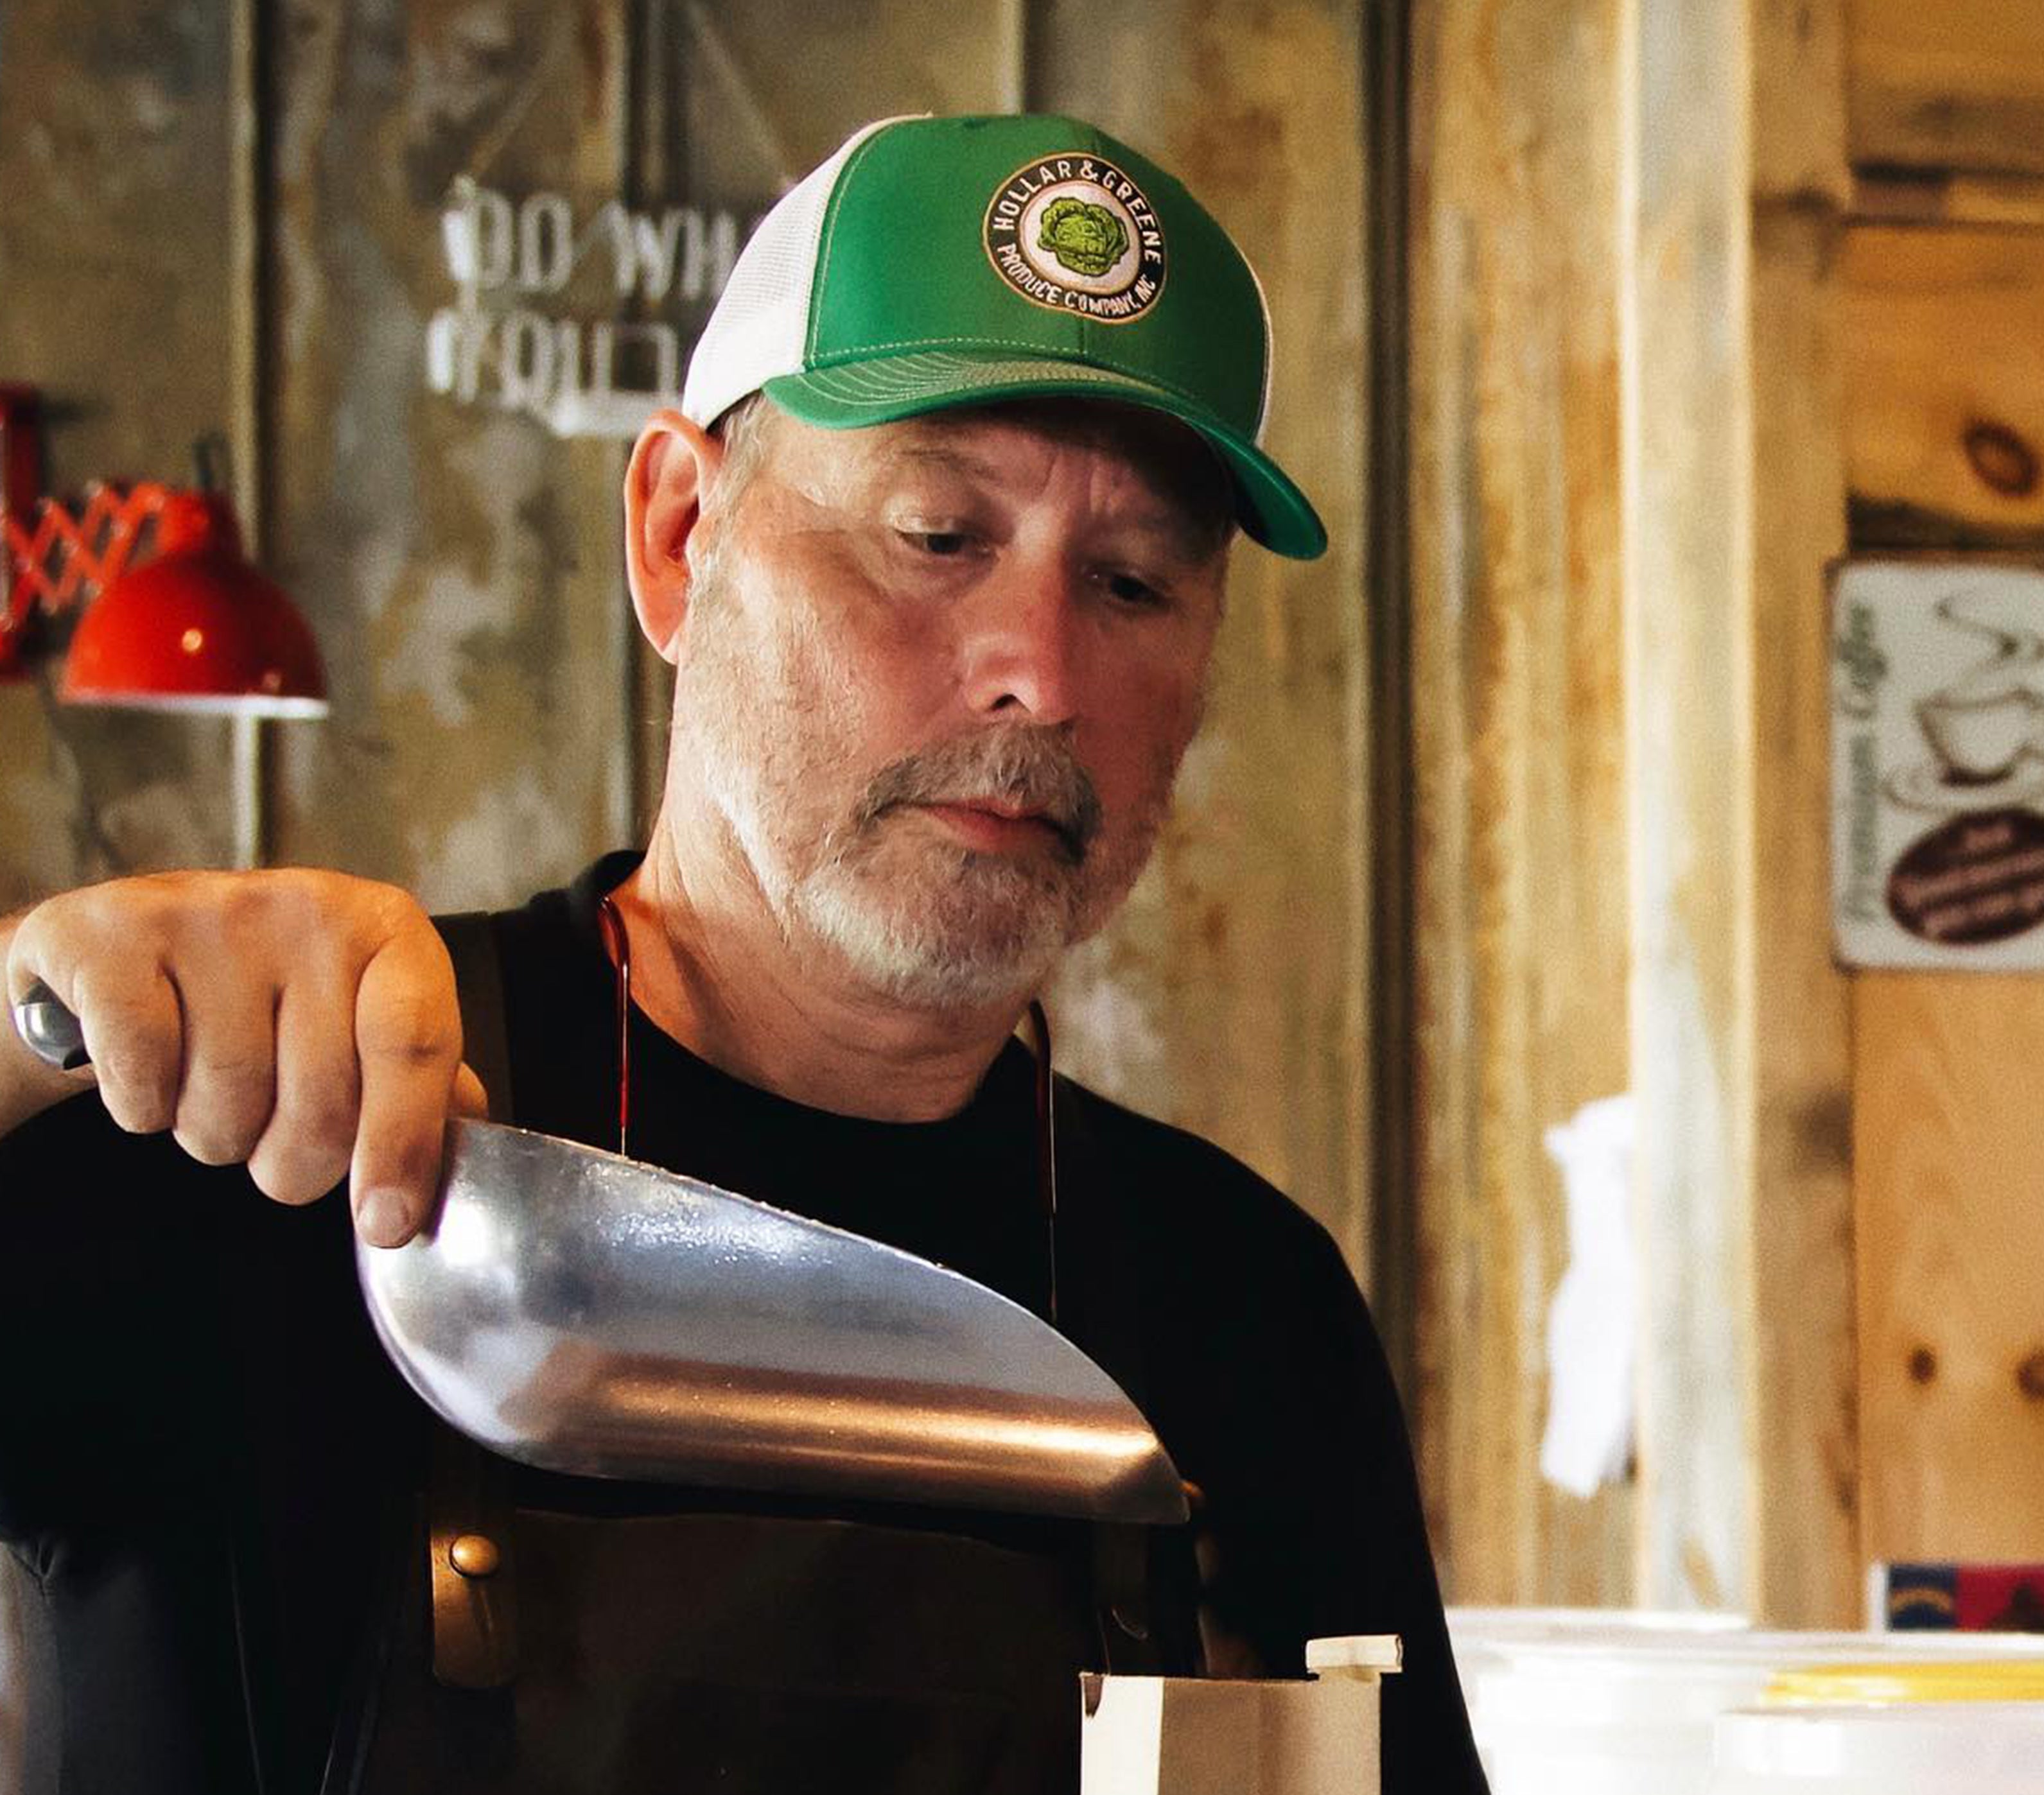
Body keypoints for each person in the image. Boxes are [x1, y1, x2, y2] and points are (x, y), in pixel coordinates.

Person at [0, 113, 1487, 1794]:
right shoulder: (278, 1139)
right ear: (676, 536)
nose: (1040, 670)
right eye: (936, 534)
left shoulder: (1245, 1305)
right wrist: (22, 1016)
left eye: (1135, 582)